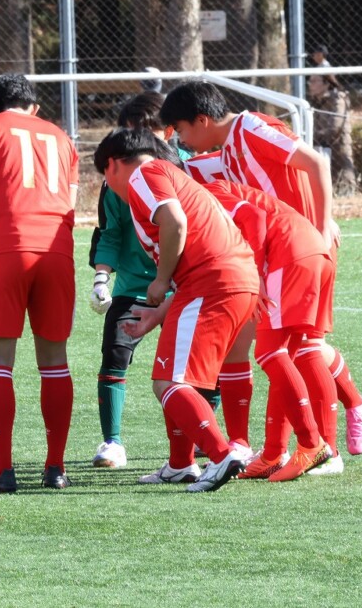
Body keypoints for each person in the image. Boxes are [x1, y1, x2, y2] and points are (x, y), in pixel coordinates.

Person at [160, 81, 362, 458]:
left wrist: (322, 225)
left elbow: (316, 162)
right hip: (281, 257)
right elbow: (179, 173)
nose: (182, 140)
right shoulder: (227, 151)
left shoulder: (251, 127)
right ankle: (277, 450)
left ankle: (333, 435)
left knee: (300, 349)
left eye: (181, 130)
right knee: (278, 349)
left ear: (202, 120)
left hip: (304, 252)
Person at [94, 128, 258, 493]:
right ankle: (181, 463)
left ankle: (221, 455)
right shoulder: (171, 174)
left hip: (210, 283)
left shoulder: (144, 173)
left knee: (169, 383)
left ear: (113, 165)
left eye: (105, 177)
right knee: (181, 377)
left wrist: (160, 279)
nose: (110, 188)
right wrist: (158, 312)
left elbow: (175, 222)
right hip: (230, 279)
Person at [87, 92, 220, 469]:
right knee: (115, 353)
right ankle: (112, 441)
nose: (137, 142)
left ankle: (203, 440)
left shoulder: (190, 169)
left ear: (168, 132)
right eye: (131, 133)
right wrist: (101, 278)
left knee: (201, 365)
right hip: (135, 286)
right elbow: (110, 232)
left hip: (184, 284)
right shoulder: (116, 181)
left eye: (146, 131)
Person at [0, 73, 79, 493]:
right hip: (57, 249)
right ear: (34, 107)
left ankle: (2, 470)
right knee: (55, 361)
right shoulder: (61, 137)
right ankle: (55, 468)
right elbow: (71, 201)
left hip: (7, 245)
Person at [203, 180, 336, 481]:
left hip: (289, 254)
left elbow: (255, 217)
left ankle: (312, 443)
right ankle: (274, 454)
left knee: (269, 352)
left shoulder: (205, 191)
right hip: (313, 250)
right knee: (285, 356)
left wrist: (256, 273)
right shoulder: (211, 189)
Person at [308, 73, 357, 196]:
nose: (310, 84)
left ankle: (347, 194)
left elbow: (335, 127)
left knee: (344, 176)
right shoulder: (315, 101)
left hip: (338, 146)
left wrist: (313, 137)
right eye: (310, 81)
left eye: (314, 81)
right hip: (320, 146)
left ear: (326, 84)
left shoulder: (338, 99)